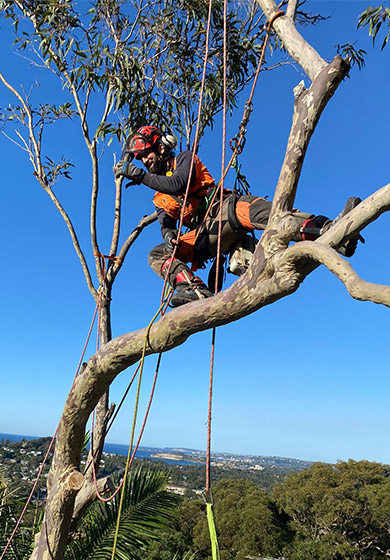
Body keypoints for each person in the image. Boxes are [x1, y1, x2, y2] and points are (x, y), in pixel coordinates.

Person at [114, 126, 361, 307]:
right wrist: (169, 236)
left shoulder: (184, 158)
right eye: (139, 159)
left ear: (159, 147)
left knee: (274, 216)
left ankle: (334, 232)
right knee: (157, 254)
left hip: (224, 209)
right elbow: (166, 222)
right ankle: (192, 289)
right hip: (205, 235)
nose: (145, 161)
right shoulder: (159, 197)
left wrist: (138, 176)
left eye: (146, 154)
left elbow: (179, 183)